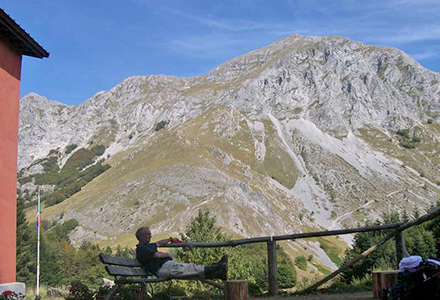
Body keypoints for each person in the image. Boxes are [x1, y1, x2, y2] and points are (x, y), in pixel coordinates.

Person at [135, 226, 227, 280]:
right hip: (162, 269)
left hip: (166, 267)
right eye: (147, 234)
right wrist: (168, 255)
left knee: (191, 270)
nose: (150, 236)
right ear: (140, 236)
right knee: (189, 268)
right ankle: (216, 267)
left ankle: (218, 274)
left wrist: (170, 239)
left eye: (150, 234)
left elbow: (158, 243)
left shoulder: (148, 246)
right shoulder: (141, 248)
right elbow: (156, 255)